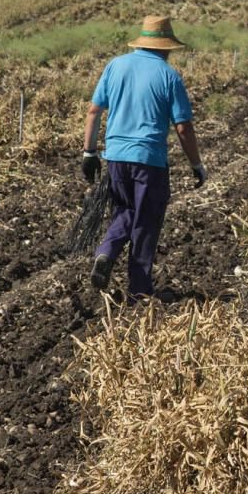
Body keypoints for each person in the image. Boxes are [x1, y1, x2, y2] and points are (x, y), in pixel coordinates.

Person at [82, 15, 206, 299]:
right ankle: (139, 291)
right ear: (165, 47)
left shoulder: (115, 65)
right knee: (146, 221)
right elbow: (183, 127)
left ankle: (106, 252)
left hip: (115, 156)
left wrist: (89, 152)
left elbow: (93, 111)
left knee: (125, 211)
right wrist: (196, 164)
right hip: (149, 159)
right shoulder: (168, 75)